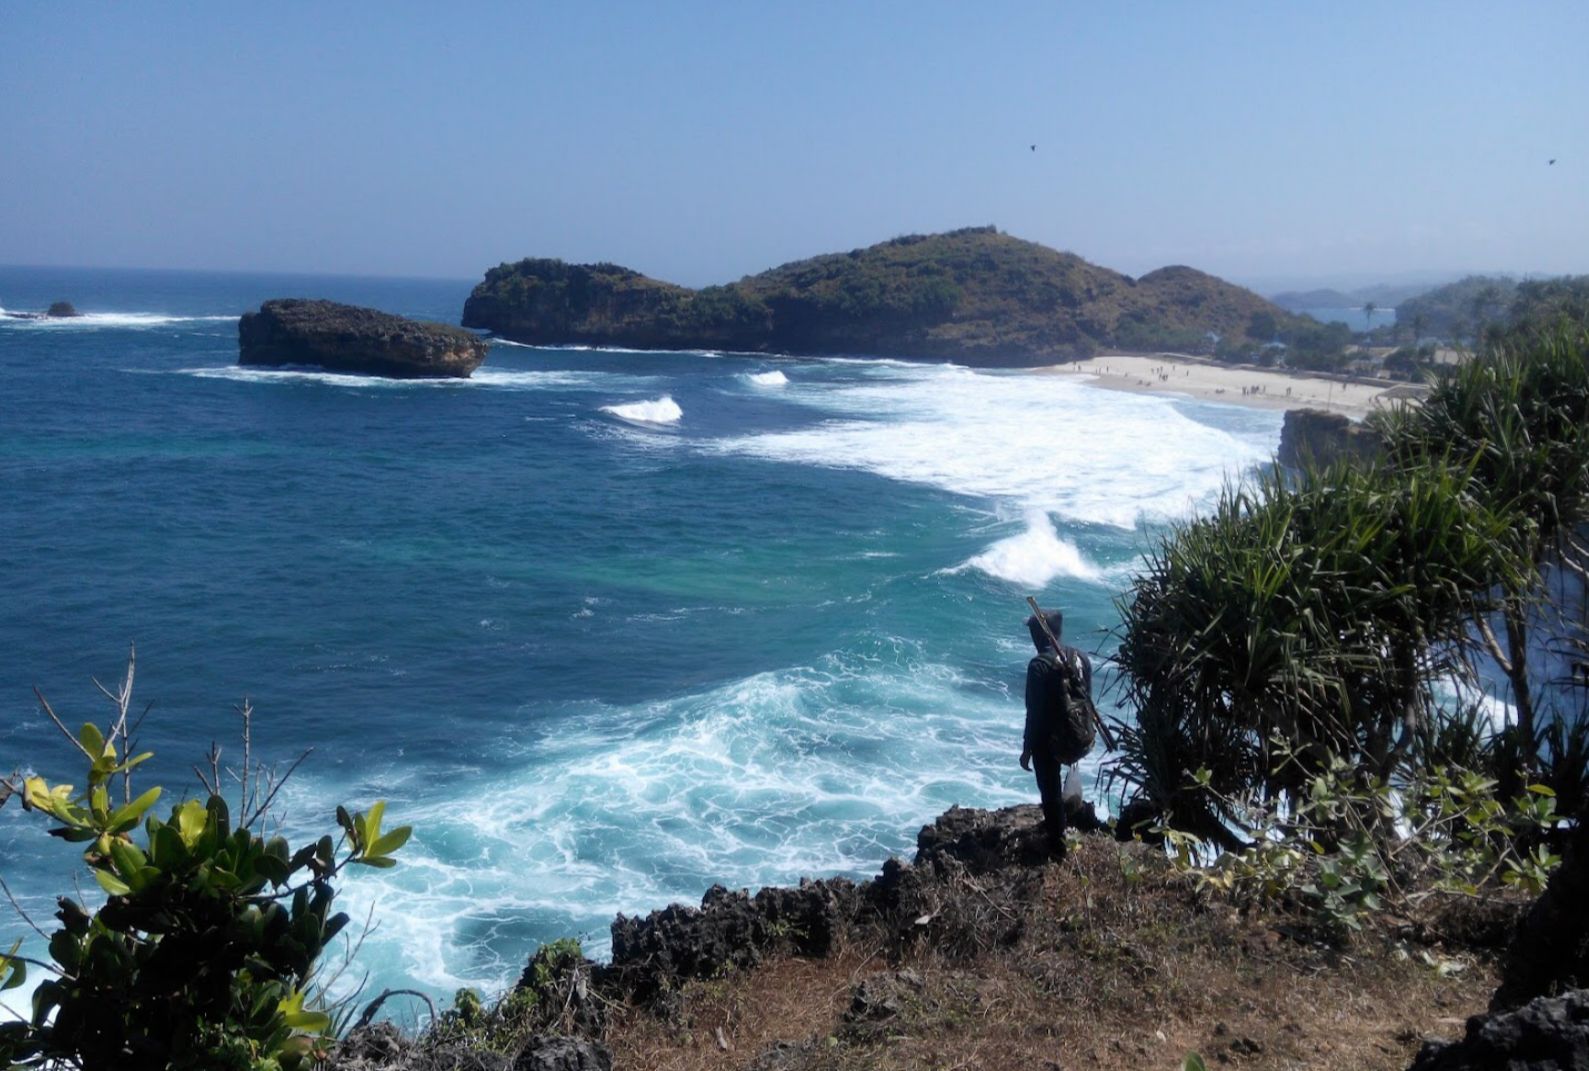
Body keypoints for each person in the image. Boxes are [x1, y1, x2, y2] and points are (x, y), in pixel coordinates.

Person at [1020, 608, 1093, 855]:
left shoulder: (1038, 665)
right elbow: (1087, 701)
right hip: (1081, 735)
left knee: (1049, 789)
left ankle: (1057, 845)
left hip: (1051, 740)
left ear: (1040, 635)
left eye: (1032, 631)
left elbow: (1035, 713)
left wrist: (1027, 749)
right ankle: (1072, 822)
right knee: (1064, 781)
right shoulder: (1081, 657)